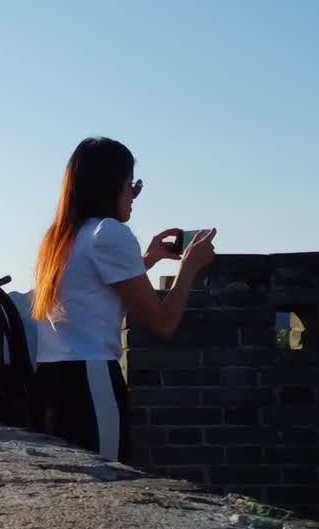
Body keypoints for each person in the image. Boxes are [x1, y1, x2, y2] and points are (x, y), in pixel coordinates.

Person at [29, 137, 216, 462]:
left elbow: (89, 291)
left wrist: (146, 261)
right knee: (104, 482)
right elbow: (162, 323)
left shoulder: (59, 238)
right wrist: (189, 267)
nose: (134, 196)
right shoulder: (110, 233)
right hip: (92, 378)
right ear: (111, 185)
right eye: (133, 185)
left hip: (49, 379)